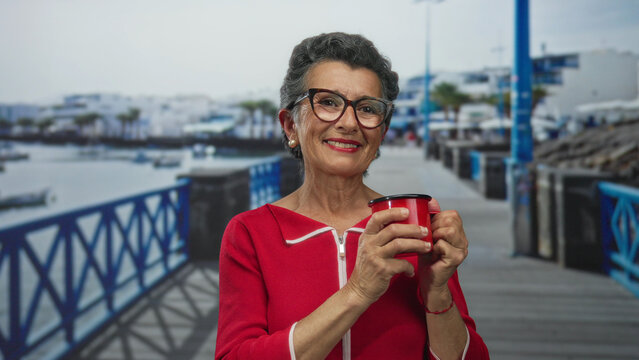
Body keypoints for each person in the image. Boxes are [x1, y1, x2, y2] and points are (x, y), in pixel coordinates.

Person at [215, 32, 489, 360]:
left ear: (382, 132)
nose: (349, 123)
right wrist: (357, 291)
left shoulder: (412, 226)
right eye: (328, 102)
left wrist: (437, 292)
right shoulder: (251, 234)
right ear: (290, 125)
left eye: (367, 108)